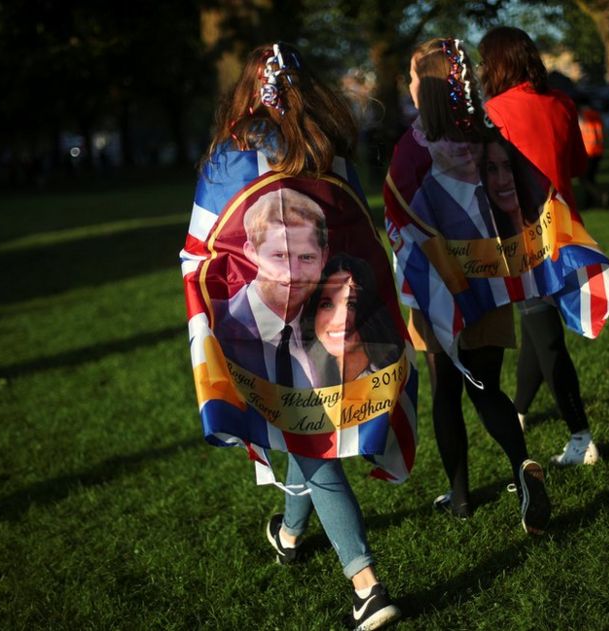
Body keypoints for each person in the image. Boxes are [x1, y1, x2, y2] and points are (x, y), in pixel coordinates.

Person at [185, 42, 401, 630]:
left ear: (247, 92)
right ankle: (288, 533)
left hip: (265, 330)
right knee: (300, 431)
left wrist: (209, 309)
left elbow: (202, 250)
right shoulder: (331, 151)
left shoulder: (230, 157)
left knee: (309, 442)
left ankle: (367, 586)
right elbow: (360, 233)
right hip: (325, 321)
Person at [386, 37, 550, 532]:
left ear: (429, 86)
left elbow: (401, 221)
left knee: (446, 393)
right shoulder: (487, 140)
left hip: (439, 290)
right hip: (492, 283)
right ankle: (521, 466)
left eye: (413, 76)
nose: (409, 84)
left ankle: (459, 498)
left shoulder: (411, 151)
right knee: (487, 387)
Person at [478, 26, 601, 466]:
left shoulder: (493, 112)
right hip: (566, 232)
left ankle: (581, 437)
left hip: (523, 238)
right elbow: (578, 164)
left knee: (546, 337)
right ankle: (520, 410)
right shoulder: (562, 102)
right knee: (539, 328)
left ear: (496, 64)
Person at [211, 187, 328, 387]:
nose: (292, 274)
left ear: (323, 257)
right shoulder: (214, 322)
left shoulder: (335, 328)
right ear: (252, 252)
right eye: (279, 256)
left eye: (307, 257)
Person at [301, 253, 402, 386]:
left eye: (351, 305)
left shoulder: (394, 372)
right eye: (327, 305)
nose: (339, 319)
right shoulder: (293, 368)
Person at [576, 98, 609, 210]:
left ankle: (601, 196)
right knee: (590, 177)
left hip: (588, 151)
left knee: (583, 179)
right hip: (598, 150)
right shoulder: (596, 114)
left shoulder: (582, 116)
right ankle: (589, 202)